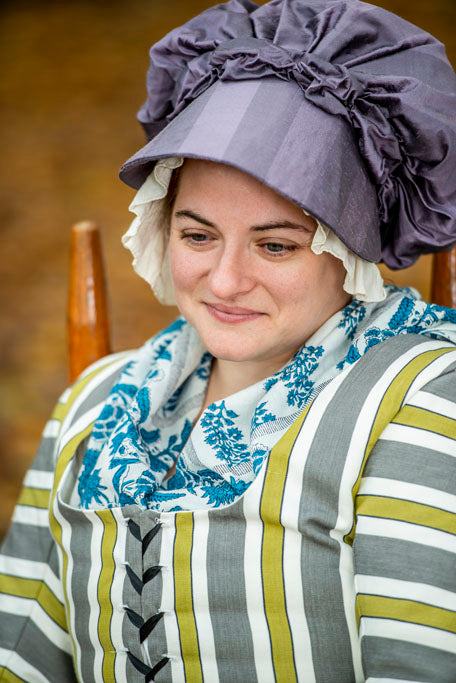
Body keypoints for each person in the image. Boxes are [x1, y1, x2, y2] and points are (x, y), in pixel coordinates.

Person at [1, 0, 456, 681]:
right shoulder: (92, 404)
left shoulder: (416, 403)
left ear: (350, 248)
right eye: (197, 234)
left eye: (274, 245)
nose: (225, 279)